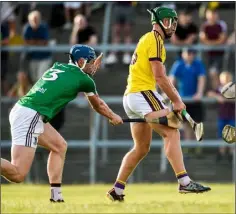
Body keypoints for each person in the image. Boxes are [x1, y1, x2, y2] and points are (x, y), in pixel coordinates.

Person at [106, 6, 211, 202]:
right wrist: (177, 100)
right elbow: (160, 76)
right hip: (143, 93)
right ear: (162, 22)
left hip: (132, 96)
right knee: (172, 131)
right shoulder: (155, 39)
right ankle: (185, 182)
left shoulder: (148, 39)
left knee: (141, 148)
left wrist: (172, 102)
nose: (173, 27)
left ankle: (117, 189)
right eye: (171, 22)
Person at [1, 44, 123, 203]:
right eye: (91, 61)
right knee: (18, 174)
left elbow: (73, 80)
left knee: (59, 146)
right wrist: (113, 116)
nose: (94, 65)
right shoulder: (84, 79)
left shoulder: (59, 66)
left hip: (25, 110)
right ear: (80, 61)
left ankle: (56, 196)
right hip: (30, 115)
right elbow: (97, 104)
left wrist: (88, 72)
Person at [169, 48, 206, 141]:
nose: (191, 55)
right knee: (186, 126)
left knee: (197, 125)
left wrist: (199, 93)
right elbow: (172, 80)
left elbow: (202, 78)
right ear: (183, 54)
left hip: (195, 100)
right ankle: (189, 150)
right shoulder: (178, 64)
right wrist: (174, 95)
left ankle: (197, 150)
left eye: (193, 53)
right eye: (188, 53)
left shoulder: (198, 64)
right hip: (183, 101)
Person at [207, 72, 235, 150]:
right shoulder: (219, 89)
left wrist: (226, 98)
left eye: (227, 79)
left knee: (232, 136)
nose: (225, 81)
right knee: (221, 136)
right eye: (224, 79)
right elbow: (209, 93)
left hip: (232, 117)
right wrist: (217, 97)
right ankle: (222, 154)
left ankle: (231, 155)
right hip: (222, 117)